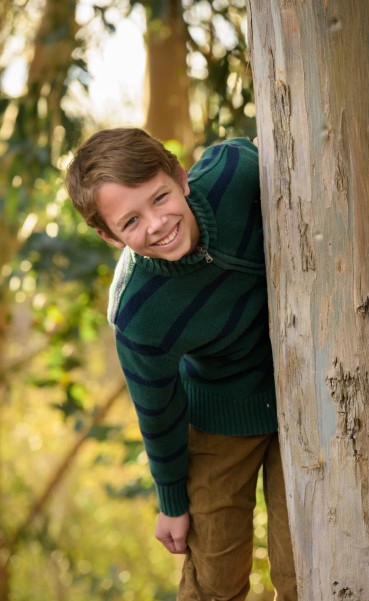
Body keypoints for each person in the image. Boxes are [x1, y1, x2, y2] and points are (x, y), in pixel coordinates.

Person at [65, 128, 297, 600]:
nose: (156, 223)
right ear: (108, 236)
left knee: (305, 565)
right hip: (220, 413)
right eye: (130, 222)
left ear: (181, 177)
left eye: (160, 197)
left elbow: (254, 145)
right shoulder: (138, 314)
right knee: (215, 576)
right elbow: (159, 412)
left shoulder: (234, 175)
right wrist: (171, 501)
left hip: (306, 391)